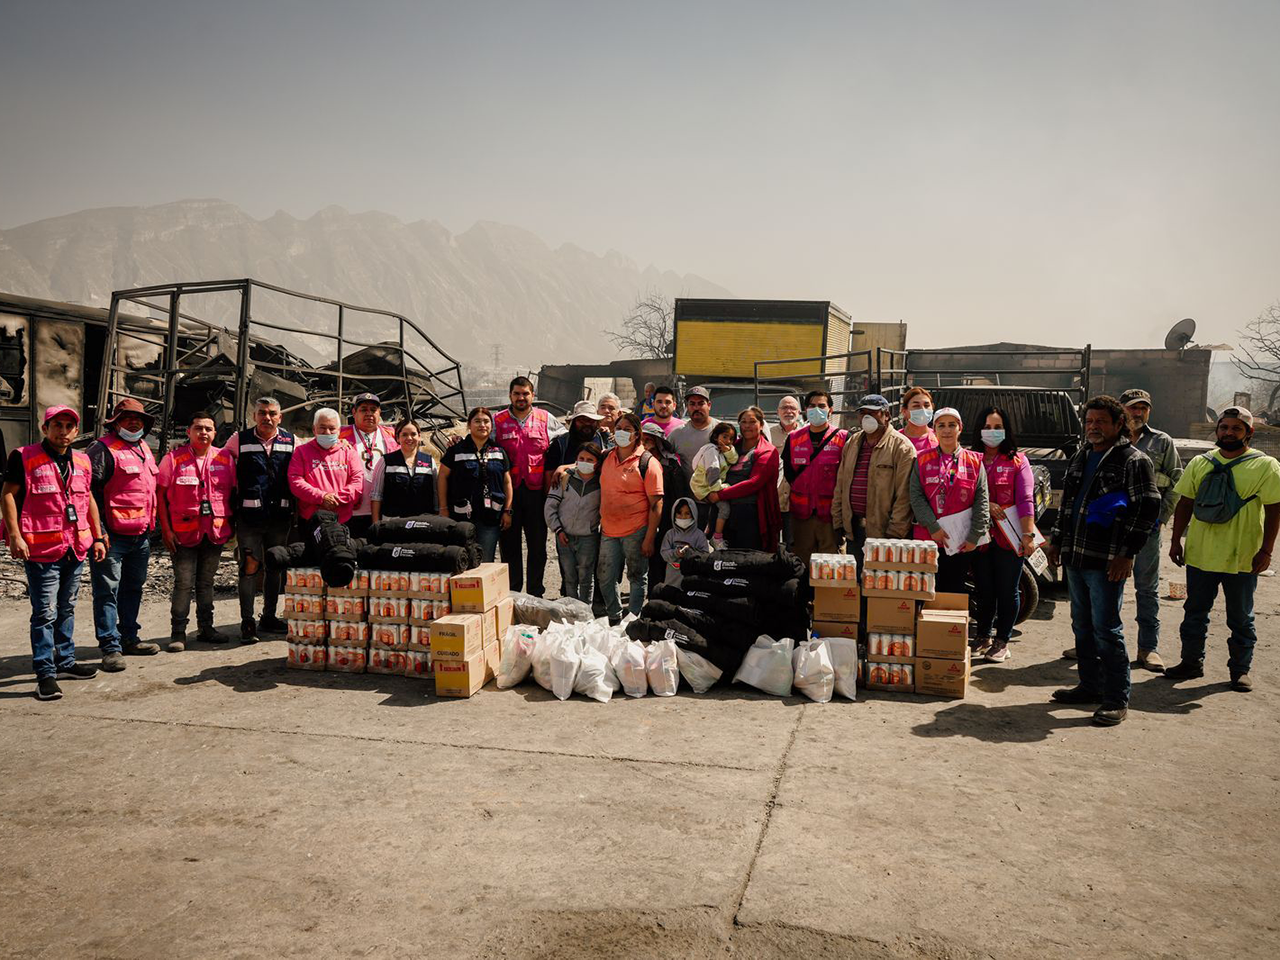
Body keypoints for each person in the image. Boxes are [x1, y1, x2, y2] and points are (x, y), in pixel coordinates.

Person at [1046, 395, 1161, 727]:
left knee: (1107, 630)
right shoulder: (1082, 456)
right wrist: (1057, 542)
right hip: (1076, 556)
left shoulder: (1133, 460)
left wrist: (1127, 554)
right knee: (1081, 625)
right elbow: (1067, 505)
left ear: (1118, 424)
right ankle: (1089, 686)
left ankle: (1116, 698)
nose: (1093, 427)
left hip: (1107, 560)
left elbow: (1147, 509)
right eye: (1089, 421)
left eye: (1101, 422)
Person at [1166, 406, 1280, 693]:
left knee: (1240, 617)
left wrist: (1266, 551)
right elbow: (1185, 503)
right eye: (1224, 427)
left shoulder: (1266, 466)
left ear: (1249, 433)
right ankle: (1191, 663)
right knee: (1194, 612)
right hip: (1200, 554)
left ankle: (1240, 670)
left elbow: (1274, 510)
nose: (1229, 433)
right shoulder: (1200, 462)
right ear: (1217, 430)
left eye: (1236, 428)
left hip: (1242, 557)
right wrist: (1175, 541)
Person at [2, 405, 108, 701]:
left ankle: (65, 662)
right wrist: (15, 535)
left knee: (67, 607)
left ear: (76, 431)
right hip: (41, 548)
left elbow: (87, 499)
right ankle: (45, 673)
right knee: (45, 613)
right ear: (45, 428)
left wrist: (97, 536)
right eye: (57, 425)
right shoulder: (24, 456)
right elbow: (7, 495)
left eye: (69, 426)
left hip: (75, 547)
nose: (63, 431)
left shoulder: (82, 460)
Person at [88, 398, 160, 664]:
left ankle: (129, 637)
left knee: (133, 588)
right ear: (115, 423)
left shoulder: (144, 448)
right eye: (127, 418)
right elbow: (89, 494)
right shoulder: (101, 449)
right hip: (111, 536)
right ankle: (110, 647)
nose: (133, 423)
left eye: (138, 419)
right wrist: (99, 532)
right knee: (107, 591)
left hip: (140, 536)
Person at [1116, 387, 1184, 673]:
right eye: (1133, 407)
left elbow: (1177, 482)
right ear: (1121, 410)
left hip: (1147, 528)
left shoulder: (1161, 442)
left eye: (1143, 408)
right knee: (1109, 586)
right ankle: (1097, 644)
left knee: (1146, 589)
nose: (1138, 412)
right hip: (1114, 528)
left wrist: (1161, 517)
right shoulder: (1111, 438)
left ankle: (1148, 648)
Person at [157, 413, 238, 651]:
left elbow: (233, 494)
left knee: (206, 583)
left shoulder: (225, 459)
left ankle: (206, 628)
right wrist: (166, 530)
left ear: (215, 433)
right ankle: (178, 633)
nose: (203, 433)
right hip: (183, 535)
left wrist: (232, 527)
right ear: (189, 432)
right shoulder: (173, 459)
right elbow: (160, 496)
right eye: (198, 428)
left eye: (208, 429)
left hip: (214, 532)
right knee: (183, 584)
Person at [224, 396, 295, 642]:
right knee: (249, 567)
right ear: (254, 416)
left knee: (275, 566)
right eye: (262, 413)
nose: (267, 417)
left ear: (280, 417)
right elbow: (220, 465)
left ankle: (269, 617)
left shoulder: (291, 441)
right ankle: (247, 622)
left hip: (280, 517)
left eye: (272, 413)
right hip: (249, 518)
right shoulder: (239, 440)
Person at [971, 406, 1036, 662]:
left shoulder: (1018, 461)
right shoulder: (970, 459)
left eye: (997, 427)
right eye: (987, 427)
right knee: (983, 589)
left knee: (1008, 590)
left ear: (1006, 430)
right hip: (979, 537)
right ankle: (983, 635)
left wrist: (1028, 535)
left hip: (1010, 537)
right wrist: (986, 505)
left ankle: (1002, 641)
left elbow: (1026, 499)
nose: (992, 432)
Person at [493, 376, 566, 598]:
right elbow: (480, 438)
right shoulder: (497, 420)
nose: (521, 398)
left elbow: (566, 440)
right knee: (509, 546)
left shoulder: (546, 418)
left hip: (536, 493)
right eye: (517, 393)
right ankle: (513, 594)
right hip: (509, 493)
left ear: (533, 395)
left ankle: (535, 594)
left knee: (537, 546)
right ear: (510, 395)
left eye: (525, 393)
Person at [909, 408, 989, 594]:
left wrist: (974, 536)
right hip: (929, 539)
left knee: (953, 592)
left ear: (960, 428)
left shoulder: (974, 461)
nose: (946, 430)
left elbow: (982, 500)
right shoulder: (922, 459)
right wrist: (933, 526)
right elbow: (915, 495)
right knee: (926, 593)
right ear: (934, 429)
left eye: (952, 425)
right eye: (941, 425)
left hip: (960, 542)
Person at [832, 394, 918, 564]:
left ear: (887, 415)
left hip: (884, 533)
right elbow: (841, 484)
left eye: (872, 413)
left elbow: (905, 495)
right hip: (854, 529)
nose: (866, 417)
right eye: (862, 413)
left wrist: (895, 532)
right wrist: (838, 521)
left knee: (881, 578)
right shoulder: (853, 443)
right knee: (856, 576)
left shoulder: (902, 447)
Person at [597, 412, 663, 624]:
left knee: (636, 576)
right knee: (605, 577)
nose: (622, 432)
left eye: (627, 429)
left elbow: (656, 504)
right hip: (608, 530)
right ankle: (615, 617)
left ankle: (633, 620)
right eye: (619, 428)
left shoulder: (648, 463)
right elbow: (582, 464)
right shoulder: (606, 456)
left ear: (637, 434)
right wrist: (563, 468)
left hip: (636, 530)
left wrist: (649, 538)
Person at [437, 407, 513, 563]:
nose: (482, 425)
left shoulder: (499, 451)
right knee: (460, 559)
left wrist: (507, 510)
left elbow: (507, 482)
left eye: (486, 421)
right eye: (477, 421)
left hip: (490, 518)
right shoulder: (456, 451)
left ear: (491, 425)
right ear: (469, 425)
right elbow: (442, 477)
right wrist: (443, 508)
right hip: (461, 517)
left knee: (485, 560)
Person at [782, 389, 848, 565]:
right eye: (812, 406)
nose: (816, 409)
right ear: (805, 410)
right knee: (802, 561)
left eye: (821, 406)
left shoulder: (843, 438)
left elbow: (846, 476)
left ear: (830, 410)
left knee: (830, 563)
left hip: (830, 515)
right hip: (801, 514)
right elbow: (789, 473)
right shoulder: (793, 438)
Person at [712, 406, 782, 551]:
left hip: (752, 515)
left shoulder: (768, 451)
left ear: (761, 425)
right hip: (726, 513)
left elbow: (754, 483)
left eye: (752, 422)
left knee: (749, 557)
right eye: (743, 422)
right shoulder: (731, 448)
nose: (747, 426)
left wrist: (719, 495)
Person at [544, 441, 602, 603]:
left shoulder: (602, 483)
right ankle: (571, 610)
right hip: (564, 536)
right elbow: (550, 507)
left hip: (588, 538)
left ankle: (585, 611)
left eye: (590, 460)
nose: (585, 462)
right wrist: (558, 530)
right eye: (581, 458)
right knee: (569, 577)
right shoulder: (564, 478)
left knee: (586, 577)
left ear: (597, 462)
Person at [287, 407, 364, 529]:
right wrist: (321, 497)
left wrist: (336, 499)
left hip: (342, 520)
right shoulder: (301, 452)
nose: (327, 432)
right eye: (322, 428)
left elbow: (357, 482)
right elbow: (295, 481)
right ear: (314, 429)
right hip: (311, 520)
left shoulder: (349, 452)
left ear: (339, 431)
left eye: (332, 428)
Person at [641, 421, 691, 597]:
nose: (644, 444)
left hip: (665, 519)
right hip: (639, 517)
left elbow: (679, 496)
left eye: (648, 440)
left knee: (661, 559)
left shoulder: (671, 465)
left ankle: (660, 596)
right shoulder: (635, 463)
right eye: (641, 440)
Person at [338, 392, 397, 538]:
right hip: (352, 510)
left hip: (384, 508)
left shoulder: (392, 434)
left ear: (379, 412)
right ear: (354, 412)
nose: (369, 413)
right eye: (363, 409)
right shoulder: (339, 434)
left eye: (373, 410)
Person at [370, 418, 437, 522]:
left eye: (413, 434)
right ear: (397, 438)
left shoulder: (429, 461)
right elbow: (376, 496)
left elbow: (436, 493)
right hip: (393, 523)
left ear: (419, 436)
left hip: (422, 523)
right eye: (404, 435)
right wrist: (376, 524)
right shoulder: (386, 461)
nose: (409, 438)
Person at [691, 422, 739, 545]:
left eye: (731, 438)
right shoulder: (711, 451)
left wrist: (728, 450)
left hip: (711, 486)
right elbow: (713, 475)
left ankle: (710, 533)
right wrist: (726, 488)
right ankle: (717, 538)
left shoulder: (722, 451)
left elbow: (734, 459)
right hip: (705, 487)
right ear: (716, 436)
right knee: (725, 508)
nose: (728, 441)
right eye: (725, 436)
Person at [545, 400, 609, 482]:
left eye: (591, 420)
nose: (587, 424)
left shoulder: (604, 439)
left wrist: (564, 467)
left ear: (597, 423)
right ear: (574, 422)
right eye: (582, 420)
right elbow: (549, 475)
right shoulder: (561, 443)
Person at [668, 386, 721, 481]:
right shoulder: (677, 434)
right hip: (686, 489)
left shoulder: (722, 429)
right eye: (692, 404)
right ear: (687, 406)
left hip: (718, 489)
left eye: (701, 403)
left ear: (709, 405)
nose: (696, 408)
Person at [771, 396, 801, 547]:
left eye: (792, 408)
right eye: (784, 408)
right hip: (773, 499)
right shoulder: (768, 434)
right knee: (771, 543)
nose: (788, 411)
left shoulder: (806, 434)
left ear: (799, 412)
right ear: (778, 411)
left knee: (793, 544)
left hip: (795, 501)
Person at [660, 497, 712, 587]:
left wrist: (690, 553)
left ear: (694, 514)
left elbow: (704, 556)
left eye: (687, 513)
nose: (683, 517)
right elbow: (664, 553)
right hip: (671, 581)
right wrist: (676, 553)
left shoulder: (699, 535)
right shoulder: (670, 534)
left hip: (691, 581)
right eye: (679, 513)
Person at [901, 386, 938, 454]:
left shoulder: (939, 437)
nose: (923, 409)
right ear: (904, 411)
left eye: (926, 405)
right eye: (916, 406)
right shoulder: (895, 440)